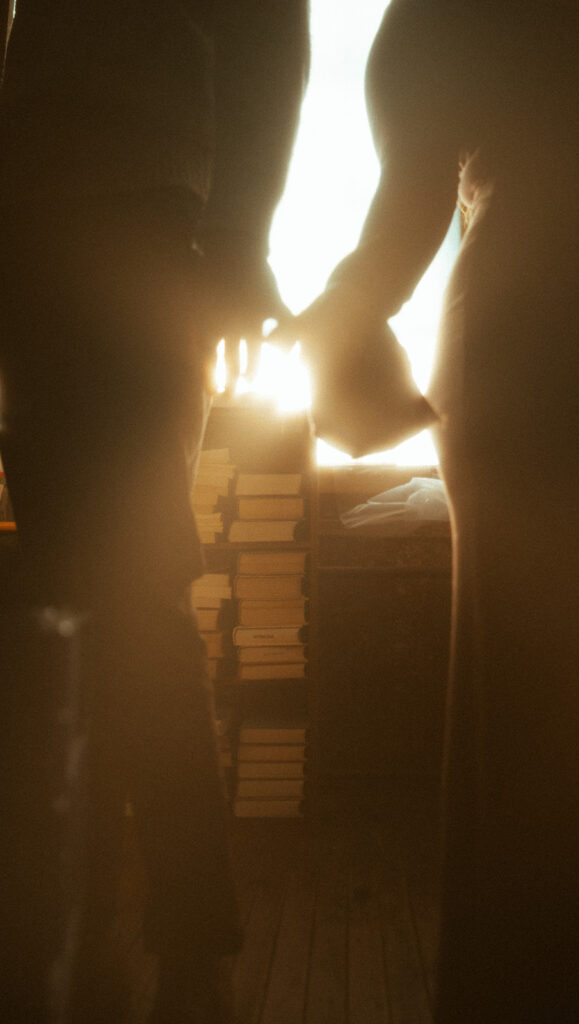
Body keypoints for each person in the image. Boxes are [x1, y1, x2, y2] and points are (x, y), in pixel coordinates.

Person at [290, 1, 579, 1019]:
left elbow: (405, 205)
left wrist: (334, 313)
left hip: (530, 326)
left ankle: (528, 977)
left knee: (521, 692)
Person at [0, 2, 309, 1021]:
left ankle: (167, 942)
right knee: (81, 592)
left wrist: (235, 236)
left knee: (120, 592)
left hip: (119, 212)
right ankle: (130, 938)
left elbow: (265, 20)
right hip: (72, 211)